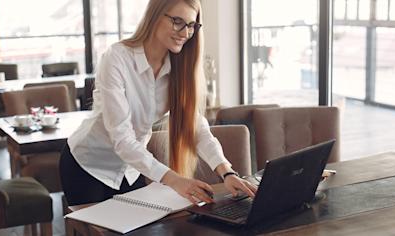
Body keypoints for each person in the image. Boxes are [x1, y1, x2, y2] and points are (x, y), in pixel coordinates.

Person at [59, 0, 257, 206]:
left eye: (191, 25)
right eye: (177, 21)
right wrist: (175, 181)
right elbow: (122, 138)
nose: (185, 32)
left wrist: (227, 172)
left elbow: (195, 126)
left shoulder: (179, 68)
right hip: (88, 165)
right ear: (154, 16)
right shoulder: (117, 58)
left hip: (131, 169)